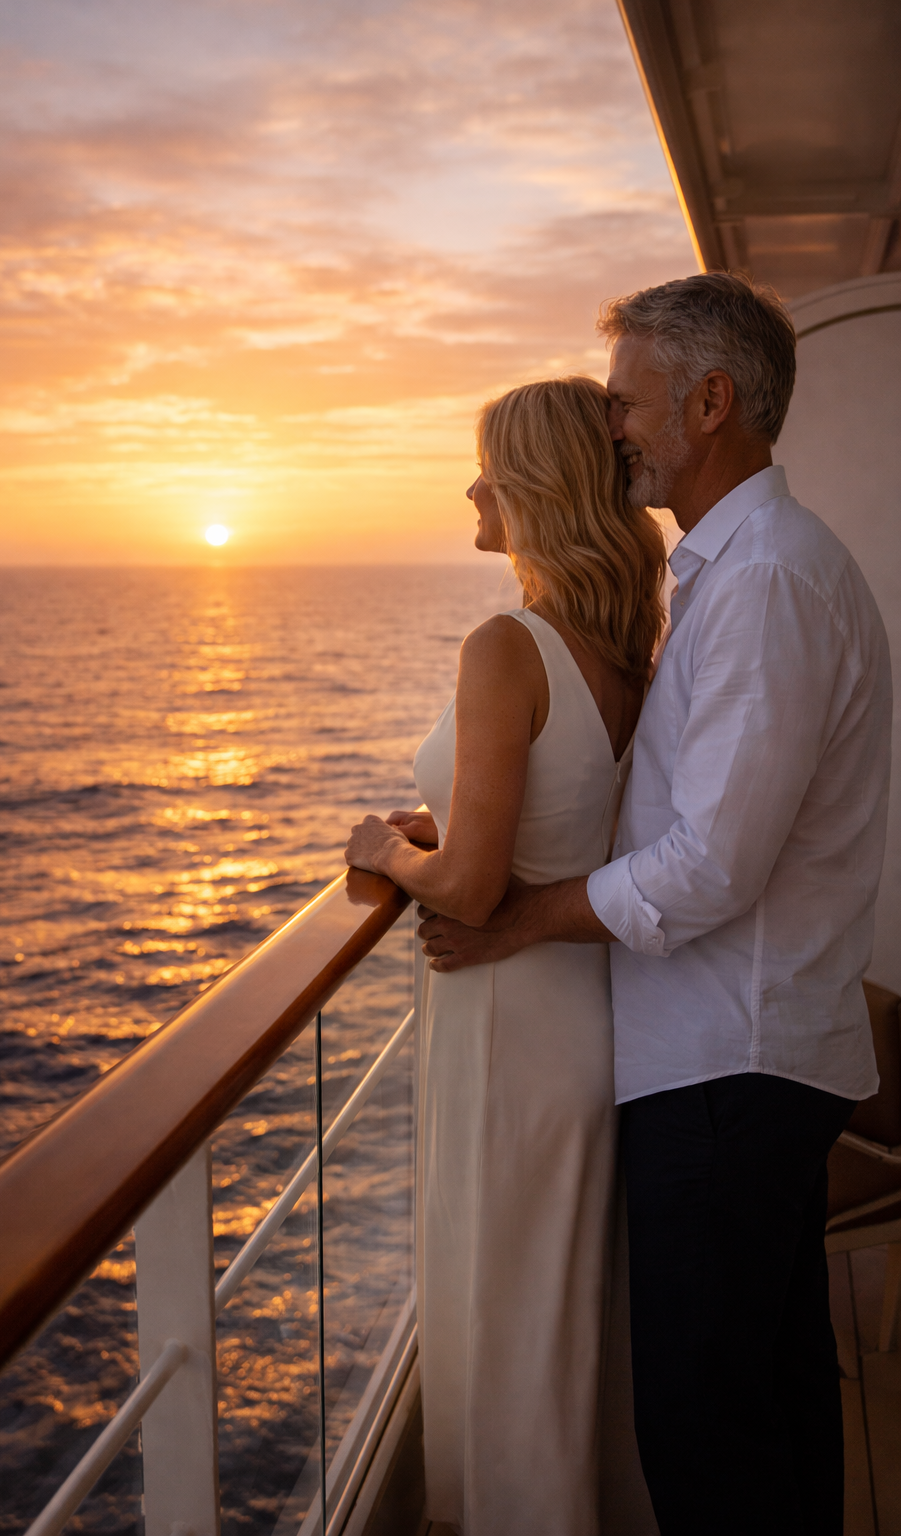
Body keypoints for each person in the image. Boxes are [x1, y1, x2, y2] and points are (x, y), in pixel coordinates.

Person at [414, 273, 892, 1536]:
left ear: (710, 401)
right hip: (737, 1056)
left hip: (727, 1068)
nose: (610, 424)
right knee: (772, 1402)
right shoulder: (730, 576)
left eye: (625, 401)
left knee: (705, 1436)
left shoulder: (767, 585)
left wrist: (518, 916)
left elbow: (711, 866)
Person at [345, 377, 667, 1535]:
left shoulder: (505, 645)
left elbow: (475, 890)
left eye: (487, 466)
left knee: (503, 1304)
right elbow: (550, 821)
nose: (470, 487)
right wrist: (452, 830)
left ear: (534, 489)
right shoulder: (622, 648)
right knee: (560, 1315)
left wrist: (386, 844)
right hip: (585, 1012)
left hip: (508, 1020)